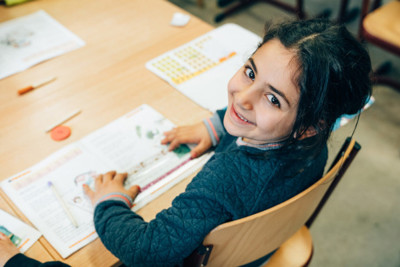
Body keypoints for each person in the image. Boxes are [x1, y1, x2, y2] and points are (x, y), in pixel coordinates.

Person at [1, 18, 372, 267]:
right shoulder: (314, 144)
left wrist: (107, 204)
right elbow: (253, 113)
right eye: (250, 71)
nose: (243, 98)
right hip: (260, 248)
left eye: (273, 98)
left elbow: (147, 249)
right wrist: (214, 127)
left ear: (309, 126)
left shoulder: (227, 178)